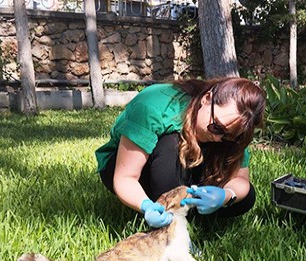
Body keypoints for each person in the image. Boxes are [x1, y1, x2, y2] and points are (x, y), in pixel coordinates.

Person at [95, 77, 266, 228]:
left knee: (245, 199)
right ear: (207, 99)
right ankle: (169, 213)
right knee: (171, 143)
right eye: (216, 127)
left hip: (187, 170)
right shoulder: (154, 104)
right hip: (130, 169)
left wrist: (226, 195)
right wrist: (145, 206)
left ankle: (189, 212)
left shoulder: (234, 128)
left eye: (229, 137)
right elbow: (125, 178)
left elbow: (241, 181)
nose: (217, 138)